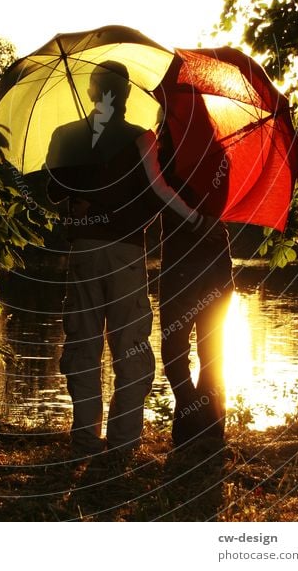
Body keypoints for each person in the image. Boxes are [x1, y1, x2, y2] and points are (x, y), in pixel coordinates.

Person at [46, 62, 209, 459]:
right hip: (125, 255)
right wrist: (196, 219)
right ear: (126, 96)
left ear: (90, 91)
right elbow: (159, 192)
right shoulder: (141, 140)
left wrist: (81, 196)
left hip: (83, 251)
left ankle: (85, 442)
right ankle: (121, 446)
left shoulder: (65, 136)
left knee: (83, 347)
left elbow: (51, 192)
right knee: (131, 349)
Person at [156, 124, 234, 447]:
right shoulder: (221, 153)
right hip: (218, 259)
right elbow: (225, 205)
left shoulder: (164, 157)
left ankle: (193, 423)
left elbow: (157, 200)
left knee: (174, 349)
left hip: (183, 264)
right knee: (211, 349)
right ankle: (210, 429)